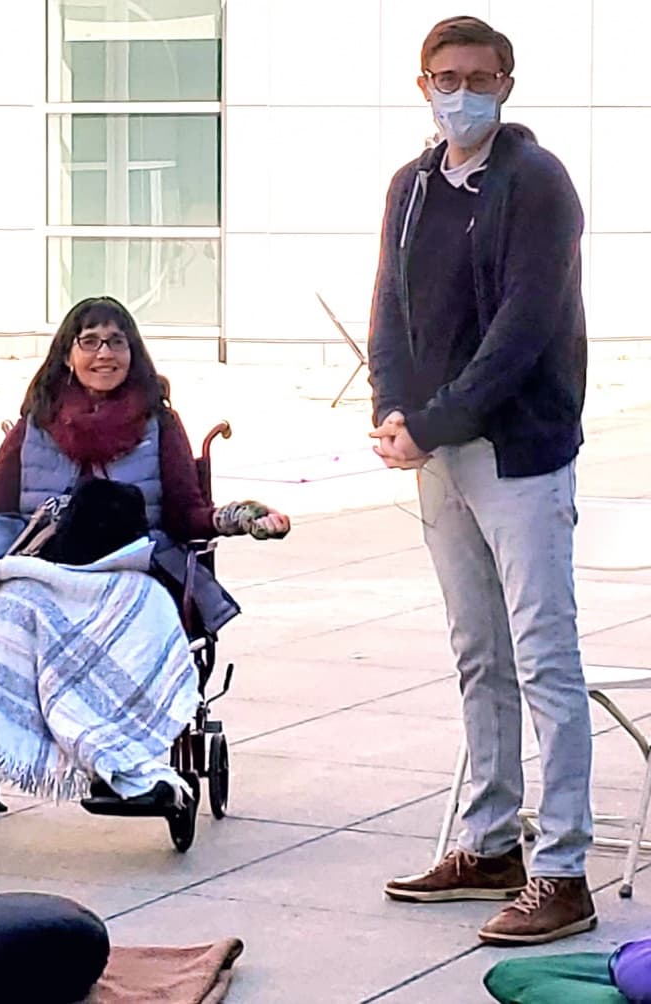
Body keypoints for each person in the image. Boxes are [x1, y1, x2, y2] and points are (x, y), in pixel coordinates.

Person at [0, 296, 289, 802]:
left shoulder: (159, 424)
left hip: (132, 569)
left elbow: (188, 514)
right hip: (44, 569)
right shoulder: (37, 424)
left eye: (117, 341)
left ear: (133, 351)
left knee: (141, 618)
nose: (105, 353)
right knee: (4, 612)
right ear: (67, 354)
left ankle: (124, 768)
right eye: (91, 341)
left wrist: (244, 517)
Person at [367, 17, 592, 945]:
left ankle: (564, 867)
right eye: (445, 76)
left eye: (479, 76)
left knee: (544, 658)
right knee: (478, 656)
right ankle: (490, 842)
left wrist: (438, 420)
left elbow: (522, 329)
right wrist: (393, 409)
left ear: (507, 80)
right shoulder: (412, 188)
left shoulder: (537, 184)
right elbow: (390, 305)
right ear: (422, 84)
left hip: (517, 452)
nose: (462, 91)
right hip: (436, 454)